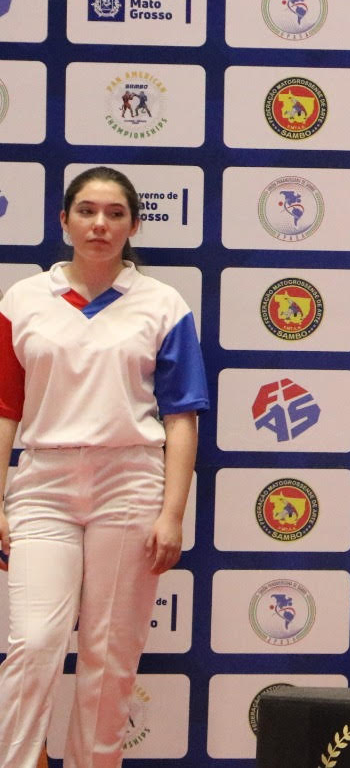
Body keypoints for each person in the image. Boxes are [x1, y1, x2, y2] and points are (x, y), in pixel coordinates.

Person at [0, 166, 206, 767]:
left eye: (115, 214)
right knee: (34, 643)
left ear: (134, 225)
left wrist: (172, 514)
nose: (100, 224)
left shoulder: (162, 304)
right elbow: (5, 409)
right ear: (63, 220)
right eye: (87, 211)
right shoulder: (22, 300)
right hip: (43, 483)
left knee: (109, 655)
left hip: (129, 483)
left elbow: (181, 417)